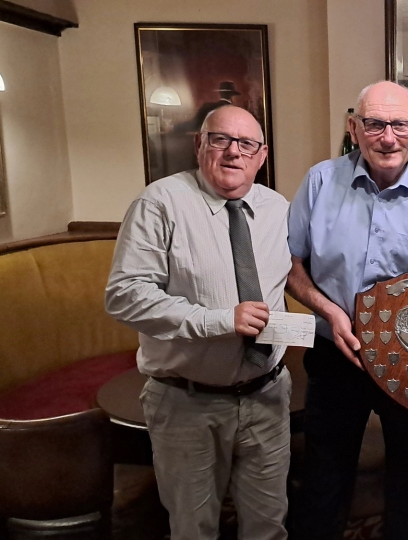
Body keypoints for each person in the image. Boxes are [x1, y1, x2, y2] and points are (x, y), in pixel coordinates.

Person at [286, 80, 408, 540]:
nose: (387, 137)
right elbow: (291, 265)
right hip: (337, 354)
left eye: (399, 125)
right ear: (355, 128)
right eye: (374, 124)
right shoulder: (318, 182)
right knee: (323, 483)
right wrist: (329, 312)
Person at [106, 105, 291, 539]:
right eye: (220, 139)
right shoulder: (159, 204)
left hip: (267, 397)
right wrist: (219, 320)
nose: (233, 153)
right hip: (187, 403)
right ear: (199, 145)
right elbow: (124, 296)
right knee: (194, 529)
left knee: (268, 526)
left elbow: (296, 275)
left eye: (247, 144)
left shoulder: (276, 208)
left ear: (261, 156)